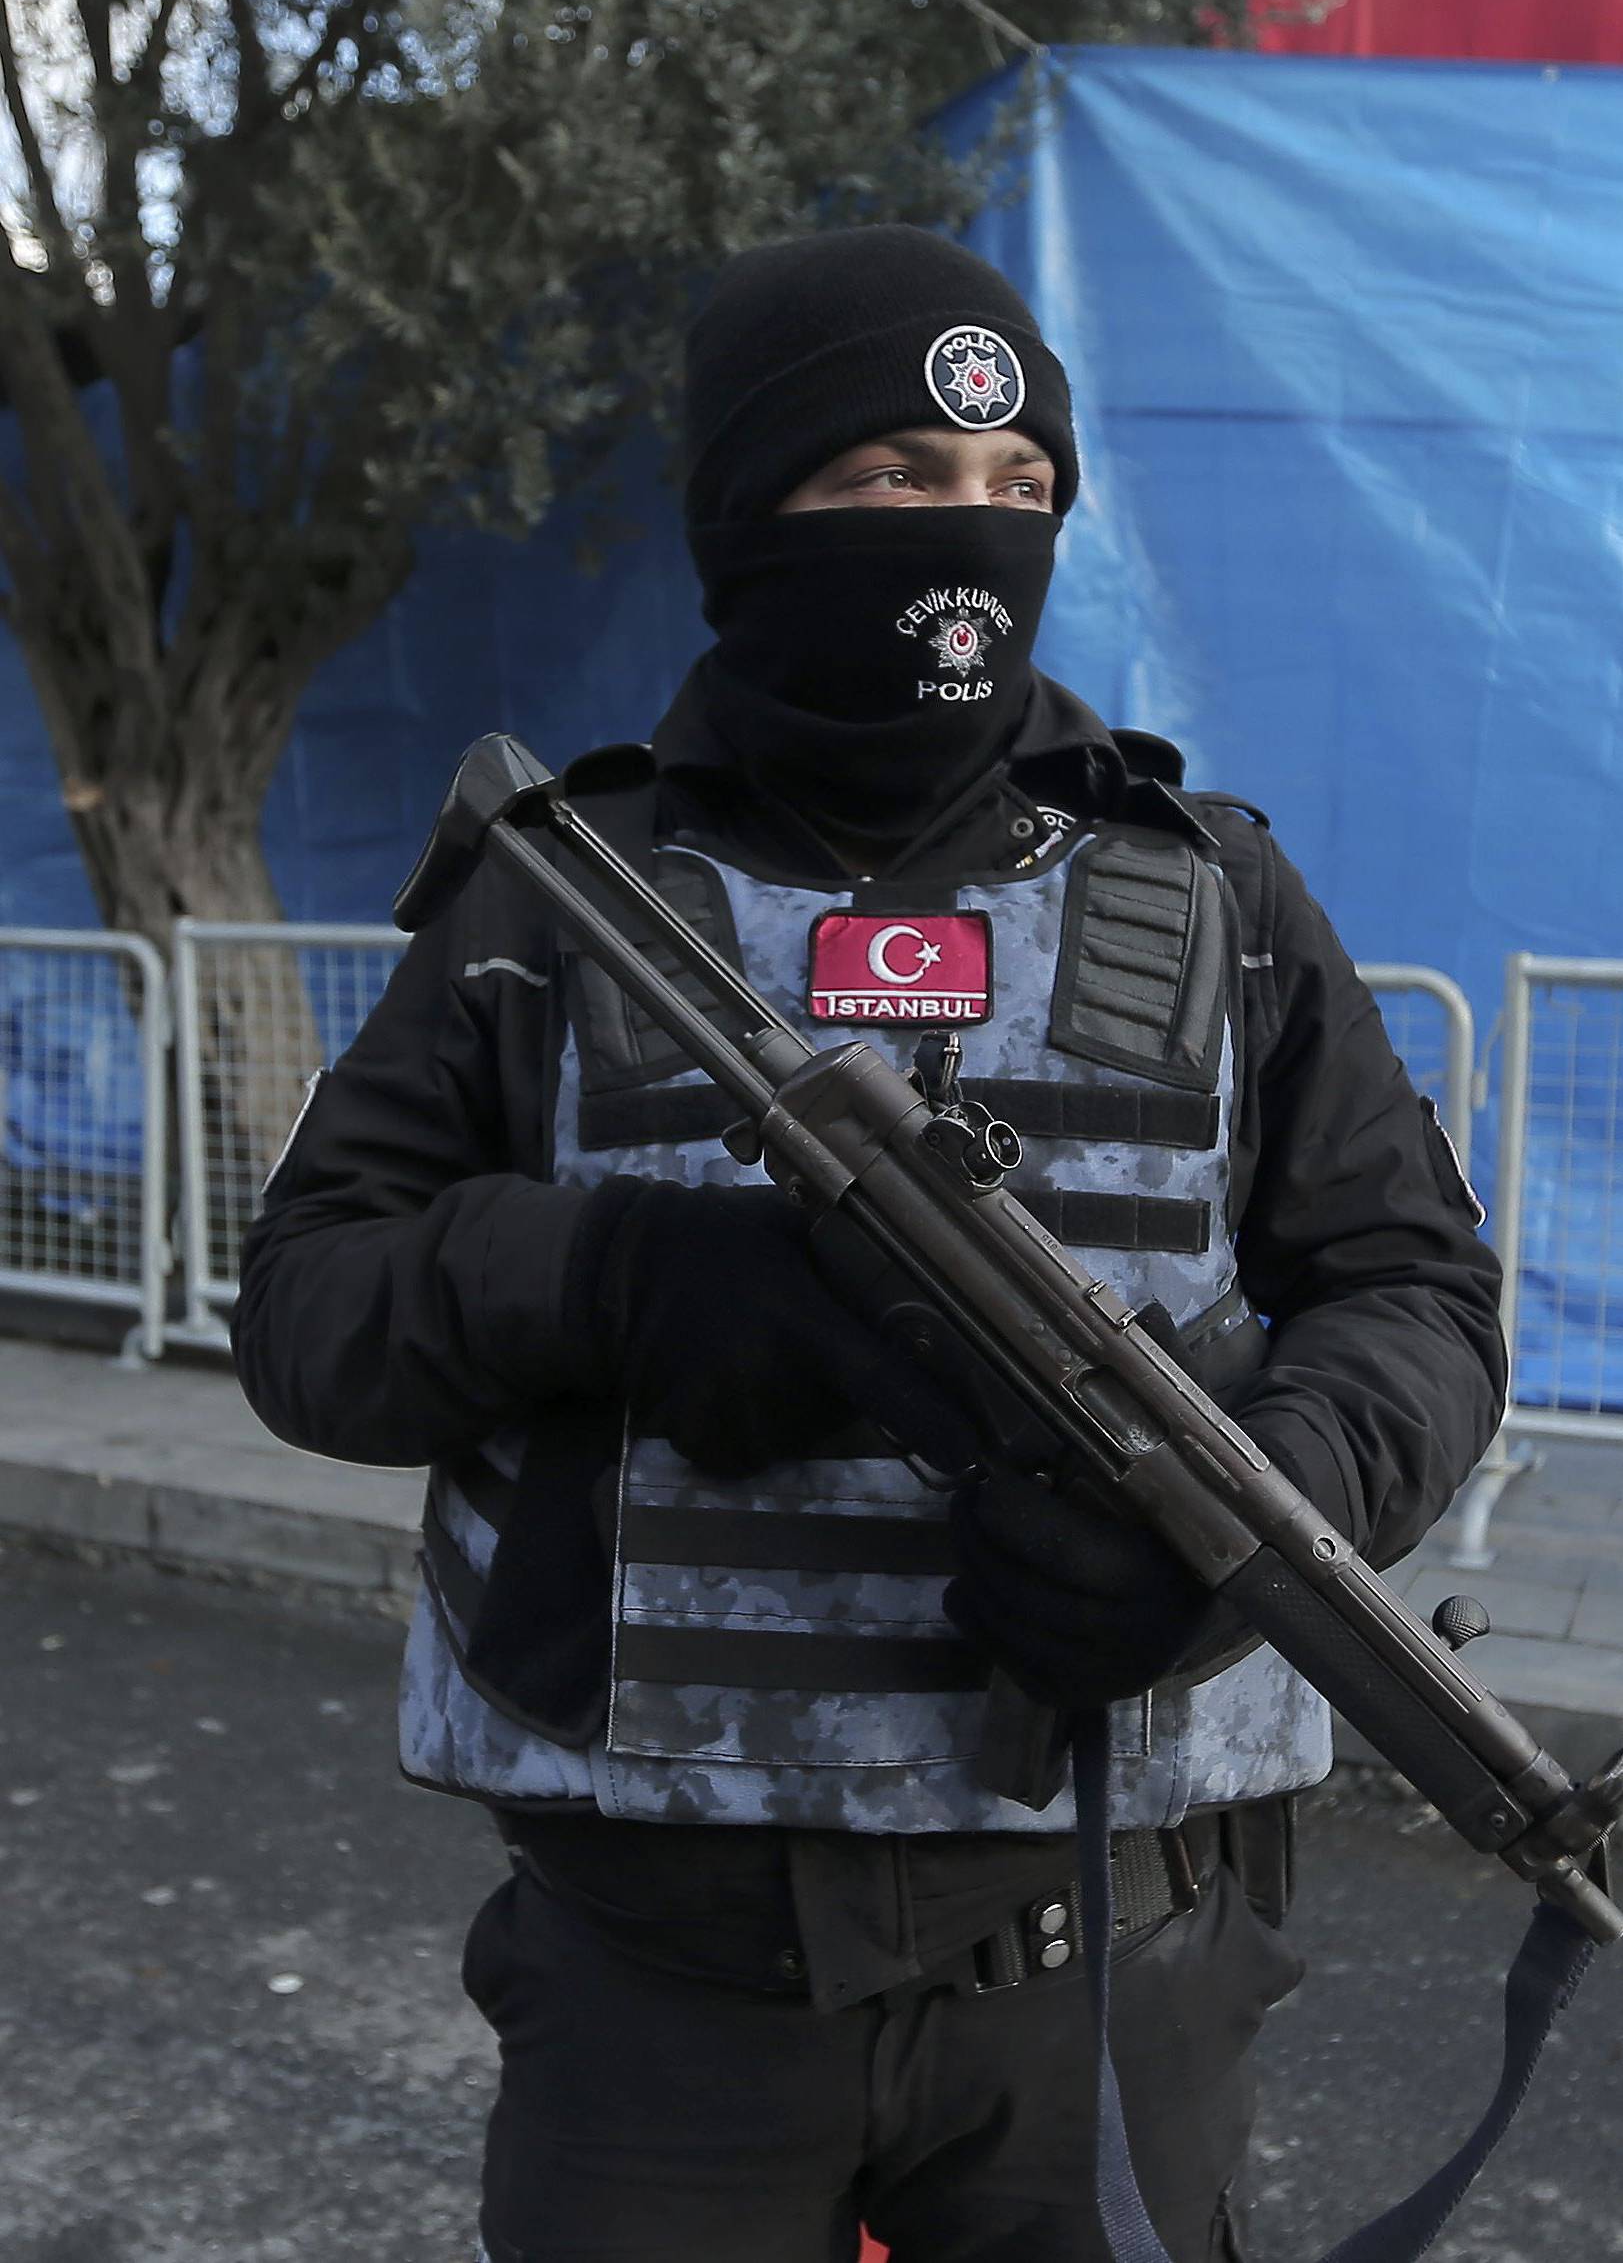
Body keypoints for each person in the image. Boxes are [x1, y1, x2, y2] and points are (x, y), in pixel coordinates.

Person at [231, 224, 1506, 2263]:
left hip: (1112, 1973)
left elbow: (1418, 1289)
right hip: (666, 1987)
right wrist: (620, 1279)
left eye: (1022, 493)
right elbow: (305, 1310)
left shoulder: (1219, 893)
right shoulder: (556, 899)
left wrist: (1248, 1533)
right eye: (897, 478)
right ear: (752, 510)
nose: (970, 535)